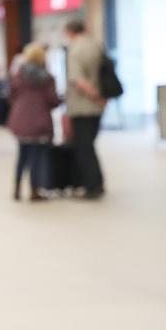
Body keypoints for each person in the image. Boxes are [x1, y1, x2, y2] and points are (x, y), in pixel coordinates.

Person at [7, 42, 61, 202]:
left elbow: (11, 95)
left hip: (20, 119)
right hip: (40, 120)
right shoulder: (47, 78)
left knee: (22, 155)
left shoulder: (18, 75)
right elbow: (53, 100)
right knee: (37, 157)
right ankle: (34, 190)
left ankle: (16, 189)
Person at [63, 19, 106, 199]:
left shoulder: (75, 50)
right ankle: (97, 182)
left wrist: (94, 94)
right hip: (97, 106)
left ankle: (91, 186)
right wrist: (102, 97)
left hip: (82, 106)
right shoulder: (97, 46)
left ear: (70, 32)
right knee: (90, 145)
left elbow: (77, 79)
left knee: (83, 148)